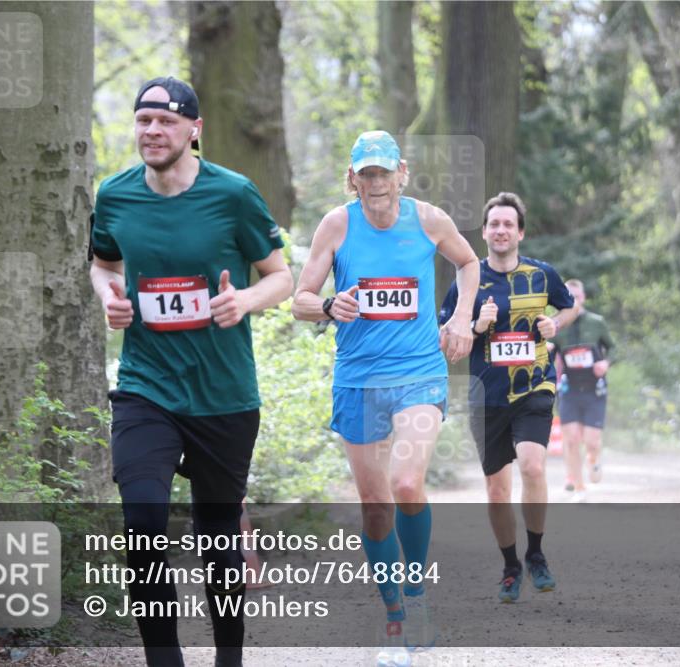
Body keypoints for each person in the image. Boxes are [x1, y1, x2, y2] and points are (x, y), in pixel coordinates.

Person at [89, 76, 293, 667]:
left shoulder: (233, 194)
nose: (153, 131)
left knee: (219, 542)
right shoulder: (116, 195)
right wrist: (110, 295)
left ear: (194, 130)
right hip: (145, 388)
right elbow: (102, 265)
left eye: (167, 121)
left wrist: (244, 302)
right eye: (144, 121)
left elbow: (280, 275)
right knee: (143, 523)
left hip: (223, 393)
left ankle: (229, 657)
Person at [292, 130, 478, 666]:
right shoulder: (336, 224)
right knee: (375, 508)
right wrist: (329, 306)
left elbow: (469, 264)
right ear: (353, 179)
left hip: (419, 371)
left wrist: (460, 318)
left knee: (404, 483)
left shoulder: (428, 219)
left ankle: (416, 602)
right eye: (365, 174)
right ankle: (394, 613)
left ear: (403, 173)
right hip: (358, 378)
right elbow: (300, 300)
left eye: (383, 172)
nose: (376, 183)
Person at [439, 192, 578, 603]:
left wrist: (555, 324)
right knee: (497, 490)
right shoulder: (468, 281)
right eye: (494, 224)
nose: (501, 231)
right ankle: (510, 565)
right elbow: (448, 342)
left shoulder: (542, 275)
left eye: (508, 225)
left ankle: (535, 554)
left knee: (533, 466)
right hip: (486, 396)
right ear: (483, 233)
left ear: (520, 232)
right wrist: (476, 325)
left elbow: (567, 309)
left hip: (534, 384)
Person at [554, 279, 616, 502]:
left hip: (594, 389)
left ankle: (593, 458)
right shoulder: (557, 326)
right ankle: (579, 487)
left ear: (584, 298)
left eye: (577, 297)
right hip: (570, 389)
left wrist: (606, 363)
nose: (574, 302)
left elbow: (613, 348)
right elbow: (550, 357)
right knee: (570, 439)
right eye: (569, 297)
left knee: (591, 441)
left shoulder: (596, 322)